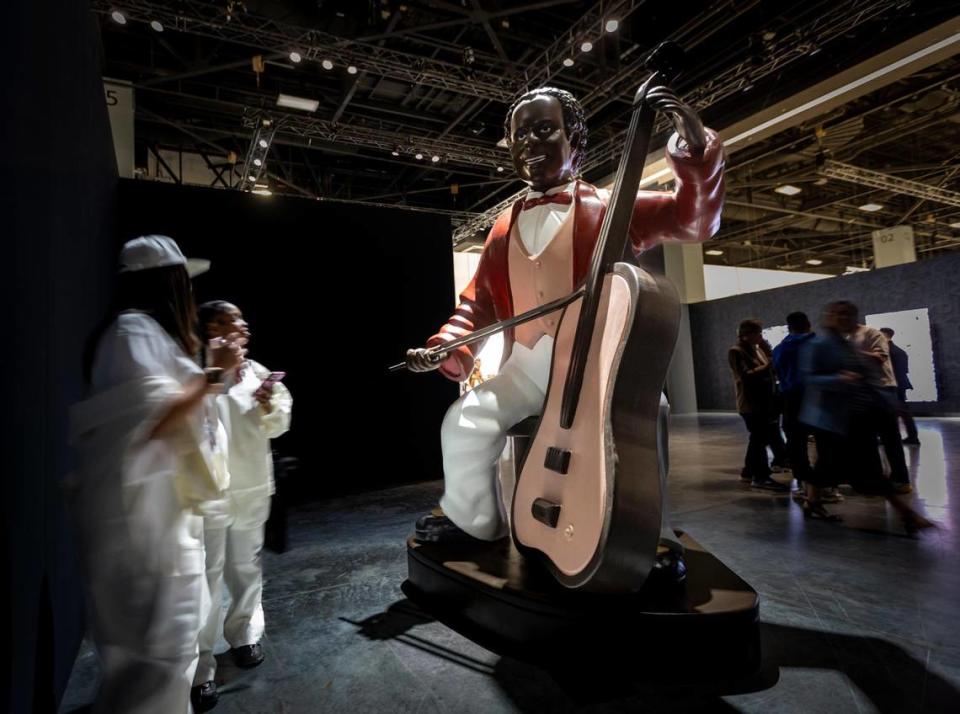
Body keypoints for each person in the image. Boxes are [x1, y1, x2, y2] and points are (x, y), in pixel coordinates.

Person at [405, 84, 725, 576]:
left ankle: (649, 534)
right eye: (518, 136)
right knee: (465, 422)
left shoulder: (611, 207)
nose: (529, 143)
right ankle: (473, 520)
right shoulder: (502, 225)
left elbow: (693, 219)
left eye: (543, 129)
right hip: (524, 368)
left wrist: (695, 153)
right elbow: (479, 306)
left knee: (646, 415)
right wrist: (449, 346)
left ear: (575, 139)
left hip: (594, 363)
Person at [69, 236, 243, 713]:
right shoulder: (133, 332)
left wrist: (215, 377)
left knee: (163, 663)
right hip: (145, 533)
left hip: (155, 525)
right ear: (169, 283)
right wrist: (215, 374)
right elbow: (158, 416)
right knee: (156, 666)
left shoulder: (139, 333)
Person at [192, 301, 293, 711]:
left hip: (251, 485)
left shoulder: (259, 375)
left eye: (240, 323)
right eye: (225, 323)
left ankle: (244, 635)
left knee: (245, 566)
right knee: (204, 576)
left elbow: (280, 422)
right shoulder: (193, 373)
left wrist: (269, 404)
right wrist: (213, 371)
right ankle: (200, 669)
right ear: (206, 330)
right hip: (208, 492)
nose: (237, 329)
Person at [799, 301, 932, 532]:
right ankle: (907, 514)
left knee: (834, 466)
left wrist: (890, 402)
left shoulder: (847, 344)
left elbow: (865, 379)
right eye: (839, 314)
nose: (844, 318)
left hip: (854, 416)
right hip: (831, 419)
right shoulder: (818, 345)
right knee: (860, 468)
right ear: (829, 316)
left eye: (849, 315)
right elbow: (809, 379)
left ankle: (811, 502)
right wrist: (839, 379)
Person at [848, 316, 911, 492]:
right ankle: (876, 480)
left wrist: (853, 354)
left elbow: (880, 357)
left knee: (890, 438)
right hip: (864, 391)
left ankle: (901, 480)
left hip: (883, 390)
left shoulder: (872, 334)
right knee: (867, 439)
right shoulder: (847, 339)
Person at [729, 319, 789, 491]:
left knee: (758, 438)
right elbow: (745, 376)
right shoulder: (736, 351)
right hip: (750, 404)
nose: (760, 337)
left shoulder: (758, 350)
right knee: (758, 439)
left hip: (763, 403)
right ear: (746, 335)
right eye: (758, 333)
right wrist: (767, 366)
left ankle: (749, 472)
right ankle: (760, 477)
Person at [772, 312, 815, 491]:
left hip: (790, 398)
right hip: (815, 396)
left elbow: (778, 372)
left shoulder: (779, 349)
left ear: (789, 327)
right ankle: (825, 484)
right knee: (826, 439)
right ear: (808, 324)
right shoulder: (816, 344)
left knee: (796, 441)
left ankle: (803, 480)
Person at [880, 327, 920, 445]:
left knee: (895, 412)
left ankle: (892, 439)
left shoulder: (888, 351)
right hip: (900, 384)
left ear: (884, 335)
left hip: (893, 386)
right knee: (903, 412)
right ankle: (912, 437)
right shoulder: (900, 351)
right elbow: (904, 370)